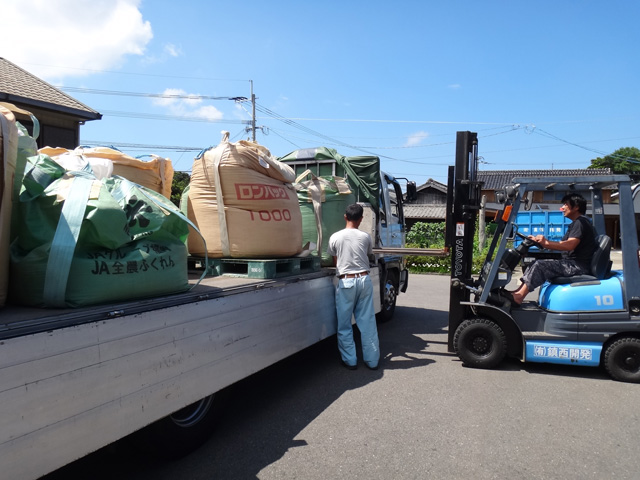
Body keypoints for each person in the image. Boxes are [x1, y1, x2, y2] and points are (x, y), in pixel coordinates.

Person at [507, 193, 597, 306]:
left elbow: (569, 245)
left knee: (540, 265)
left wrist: (546, 243)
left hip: (577, 266)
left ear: (576, 207)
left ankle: (519, 297)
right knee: (534, 263)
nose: (562, 208)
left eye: (566, 204)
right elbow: (565, 244)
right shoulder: (578, 223)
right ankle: (518, 292)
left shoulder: (580, 223)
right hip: (572, 263)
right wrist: (540, 241)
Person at [327, 203, 380, 370]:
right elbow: (367, 254)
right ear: (361, 219)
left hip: (347, 281)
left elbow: (335, 260)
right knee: (367, 321)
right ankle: (372, 361)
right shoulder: (365, 237)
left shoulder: (335, 237)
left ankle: (350, 360)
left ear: (345, 217)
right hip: (364, 279)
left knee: (344, 323)